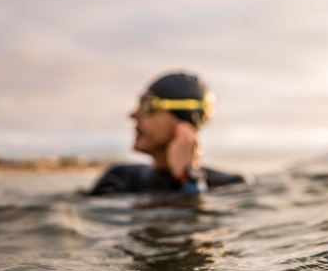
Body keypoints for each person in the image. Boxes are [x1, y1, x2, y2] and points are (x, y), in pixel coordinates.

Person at [88, 71, 246, 196]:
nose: (133, 115)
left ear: (183, 122)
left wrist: (189, 180)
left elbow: (198, 229)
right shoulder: (119, 178)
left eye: (147, 105)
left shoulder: (232, 185)